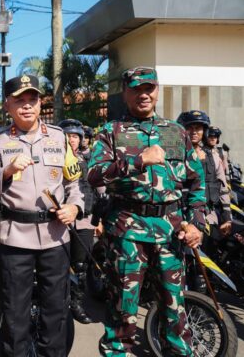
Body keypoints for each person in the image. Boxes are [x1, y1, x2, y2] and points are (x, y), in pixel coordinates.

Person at [88, 66, 206, 356]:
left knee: (174, 311)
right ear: (125, 93)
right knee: (122, 313)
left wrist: (196, 224)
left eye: (148, 89)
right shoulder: (111, 132)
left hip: (170, 233)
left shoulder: (176, 132)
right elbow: (94, 175)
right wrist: (136, 161)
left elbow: (197, 183)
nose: (143, 95)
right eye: (136, 89)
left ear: (157, 91)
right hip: (127, 232)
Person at [0, 74, 83, 357]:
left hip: (55, 237)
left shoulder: (59, 137)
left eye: (32, 99)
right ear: (7, 106)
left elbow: (73, 184)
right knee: (15, 312)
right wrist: (8, 170)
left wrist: (74, 207)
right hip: (15, 239)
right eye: (19, 100)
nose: (26, 105)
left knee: (56, 310)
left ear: (40, 103)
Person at [58, 118, 100, 325]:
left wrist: (99, 221)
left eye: (75, 136)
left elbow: (100, 191)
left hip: (84, 220)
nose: (71, 140)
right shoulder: (53, 159)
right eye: (67, 136)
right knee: (56, 265)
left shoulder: (89, 161)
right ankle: (58, 303)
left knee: (81, 265)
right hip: (58, 221)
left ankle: (76, 303)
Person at [177, 111, 232, 237]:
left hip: (209, 218)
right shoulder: (175, 157)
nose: (194, 132)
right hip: (181, 221)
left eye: (198, 128)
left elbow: (223, 189)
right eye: (189, 128)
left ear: (205, 131)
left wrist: (227, 218)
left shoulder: (214, 157)